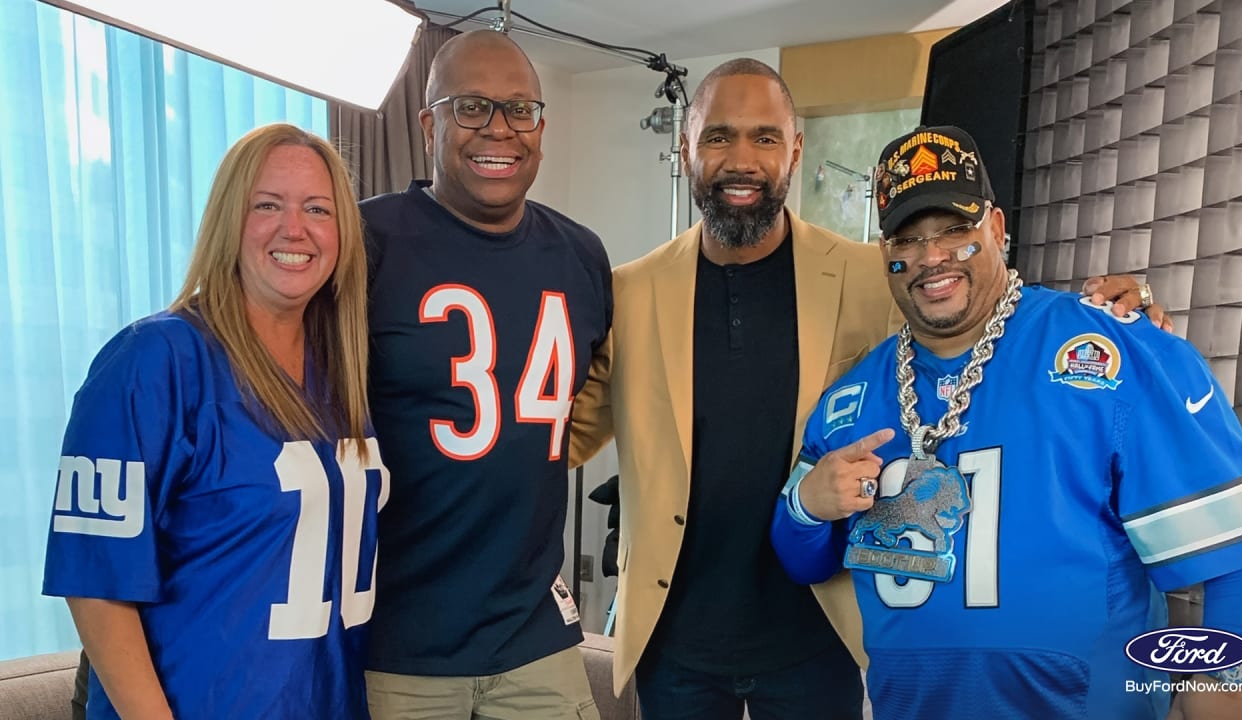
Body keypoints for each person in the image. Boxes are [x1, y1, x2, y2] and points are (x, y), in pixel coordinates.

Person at [568, 61, 1159, 720]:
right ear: (687, 148)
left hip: (819, 634)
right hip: (675, 643)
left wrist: (1116, 314)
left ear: (795, 151)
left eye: (765, 138)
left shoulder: (873, 272)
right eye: (718, 137)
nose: (742, 159)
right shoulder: (627, 291)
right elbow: (565, 434)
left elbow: (988, 309)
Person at [772, 125, 1242, 719]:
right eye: (908, 238)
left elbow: (1232, 552)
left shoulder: (1107, 350)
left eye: (954, 230)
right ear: (887, 254)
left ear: (996, 229)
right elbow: (803, 560)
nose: (931, 257)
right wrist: (806, 504)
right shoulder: (851, 398)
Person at [43, 122, 386, 719]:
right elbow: (95, 579)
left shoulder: (342, 370)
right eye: (267, 205)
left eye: (317, 209)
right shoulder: (152, 360)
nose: (294, 228)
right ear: (230, 219)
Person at [359, 30, 610, 720]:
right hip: (401, 637)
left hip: (533, 633)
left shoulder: (581, 256)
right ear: (428, 122)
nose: (498, 129)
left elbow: (574, 410)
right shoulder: (366, 243)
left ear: (541, 126)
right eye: (471, 107)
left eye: (519, 109)